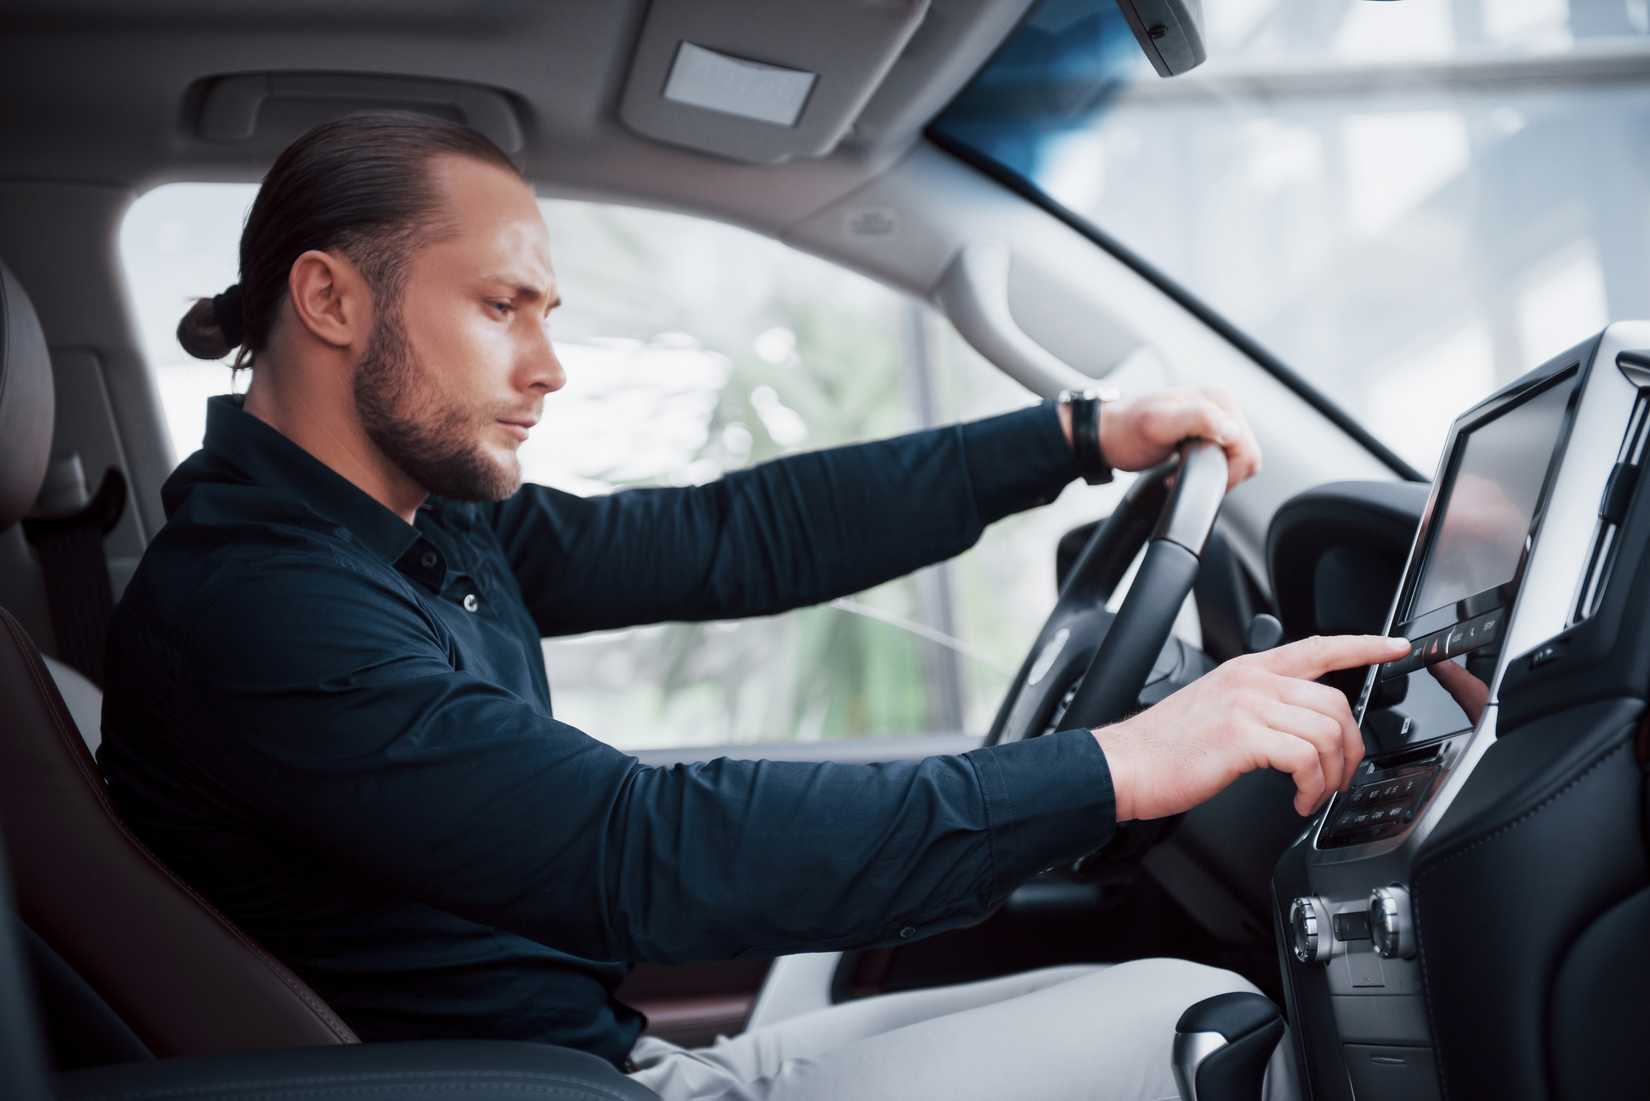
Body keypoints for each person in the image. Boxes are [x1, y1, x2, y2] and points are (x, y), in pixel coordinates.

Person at [99, 111, 1407, 1101]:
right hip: (556, 1083)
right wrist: (1121, 764)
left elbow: (728, 535)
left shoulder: (416, 521)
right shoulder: (256, 605)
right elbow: (635, 848)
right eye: (502, 307)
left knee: (1172, 989)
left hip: (602, 1052)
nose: (548, 367)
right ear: (329, 298)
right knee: (1208, 1030)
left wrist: (1071, 434)